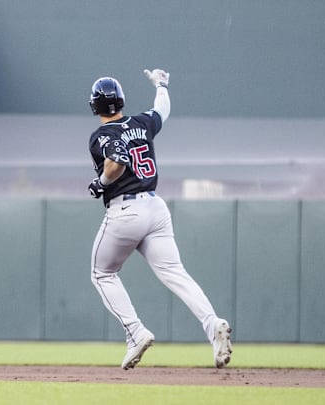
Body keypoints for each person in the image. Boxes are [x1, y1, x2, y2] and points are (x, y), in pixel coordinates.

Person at [86, 69, 233, 370]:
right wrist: (161, 84)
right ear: (121, 100)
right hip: (155, 208)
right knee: (175, 273)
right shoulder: (141, 122)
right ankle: (212, 324)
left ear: (95, 106)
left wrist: (101, 181)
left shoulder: (101, 134)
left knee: (102, 273)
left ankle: (135, 332)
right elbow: (162, 109)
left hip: (125, 210)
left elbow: (116, 161)